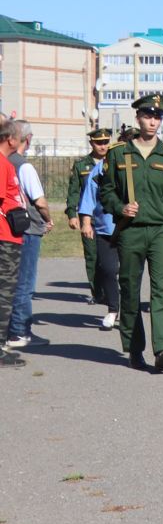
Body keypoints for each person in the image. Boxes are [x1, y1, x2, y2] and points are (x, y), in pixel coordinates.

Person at [96, 95, 163, 371]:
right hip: (130, 232)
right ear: (137, 117)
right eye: (148, 116)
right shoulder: (118, 153)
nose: (153, 121)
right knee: (130, 290)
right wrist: (120, 207)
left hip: (161, 231)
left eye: (158, 117)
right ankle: (135, 348)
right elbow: (106, 190)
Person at [5, 122, 52, 348]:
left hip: (10, 228)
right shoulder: (24, 166)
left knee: (11, 281)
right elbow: (40, 201)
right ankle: (19, 331)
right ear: (28, 138)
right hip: (28, 228)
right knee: (25, 282)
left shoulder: (6, 162)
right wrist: (48, 218)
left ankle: (11, 329)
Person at [76, 143, 122, 332]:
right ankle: (113, 309)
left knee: (129, 273)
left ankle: (128, 312)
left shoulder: (137, 166)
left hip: (132, 229)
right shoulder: (102, 166)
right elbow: (89, 194)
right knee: (108, 269)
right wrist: (86, 222)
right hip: (105, 228)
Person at [65, 128, 113, 305]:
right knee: (93, 256)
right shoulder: (82, 165)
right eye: (99, 143)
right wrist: (72, 214)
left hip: (110, 218)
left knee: (111, 259)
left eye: (106, 142)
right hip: (89, 219)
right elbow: (74, 192)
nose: (103, 146)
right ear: (92, 143)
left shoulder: (115, 162)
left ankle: (111, 290)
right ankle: (98, 292)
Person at [0, 121, 24, 367]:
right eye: (20, 137)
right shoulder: (1, 163)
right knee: (4, 295)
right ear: (11, 140)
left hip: (10, 236)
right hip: (4, 239)